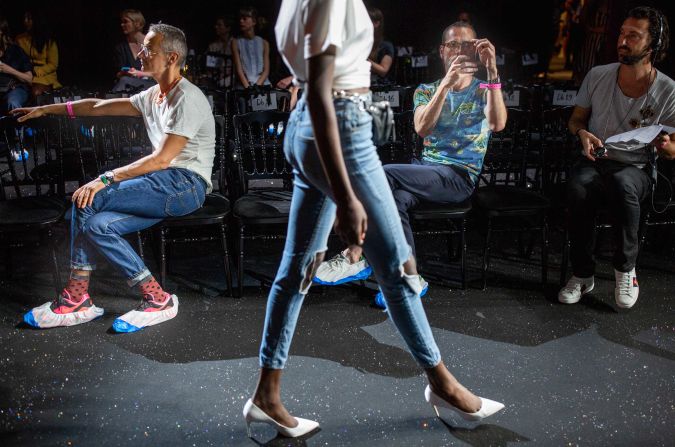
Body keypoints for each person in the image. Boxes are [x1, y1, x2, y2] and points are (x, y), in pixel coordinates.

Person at [243, 1, 504, 439]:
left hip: (310, 126)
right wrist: (346, 200)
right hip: (341, 131)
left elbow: (315, 78)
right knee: (399, 271)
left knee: (296, 271)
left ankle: (267, 396)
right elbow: (326, 90)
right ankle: (444, 386)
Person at [13, 24, 215, 332]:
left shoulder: (187, 98)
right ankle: (157, 298)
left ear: (172, 57)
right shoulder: (153, 96)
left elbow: (162, 159)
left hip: (185, 186)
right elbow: (96, 107)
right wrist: (46, 109)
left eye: (149, 49)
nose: (141, 53)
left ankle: (76, 298)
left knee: (90, 196)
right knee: (97, 225)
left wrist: (104, 179)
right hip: (162, 185)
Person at [314, 20, 507, 306]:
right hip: (426, 170)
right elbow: (422, 128)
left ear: (476, 50)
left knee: (382, 174)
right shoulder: (426, 90)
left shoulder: (484, 89)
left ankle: (355, 253)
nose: (460, 50)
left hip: (458, 176)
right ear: (442, 51)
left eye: (467, 45)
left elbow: (497, 123)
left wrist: (492, 70)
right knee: (395, 198)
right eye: (453, 44)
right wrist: (445, 85)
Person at [560, 6, 675, 309]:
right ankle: (583, 274)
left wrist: (666, 146)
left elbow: (674, 148)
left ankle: (626, 270)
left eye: (633, 36)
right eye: (622, 33)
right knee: (578, 187)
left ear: (653, 44)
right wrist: (582, 134)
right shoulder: (598, 75)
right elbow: (576, 120)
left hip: (635, 165)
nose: (623, 40)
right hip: (597, 159)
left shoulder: (668, 90)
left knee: (624, 185)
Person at [15, 10, 62, 97]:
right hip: (26, 74)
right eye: (24, 18)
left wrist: (36, 71)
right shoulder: (20, 39)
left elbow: (53, 65)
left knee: (36, 92)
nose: (25, 21)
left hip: (44, 77)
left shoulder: (49, 41)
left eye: (29, 19)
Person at [112, 9, 155, 92]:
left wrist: (138, 73)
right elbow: (119, 72)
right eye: (122, 22)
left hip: (152, 84)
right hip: (130, 86)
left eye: (125, 22)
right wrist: (127, 72)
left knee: (124, 81)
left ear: (137, 23)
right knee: (124, 80)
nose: (122, 24)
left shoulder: (152, 43)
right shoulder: (121, 48)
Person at [231, 7, 270, 89]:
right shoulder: (236, 42)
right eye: (240, 18)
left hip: (262, 84)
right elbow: (239, 70)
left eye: (245, 18)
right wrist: (248, 88)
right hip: (244, 85)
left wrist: (257, 86)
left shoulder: (264, 43)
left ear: (254, 21)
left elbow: (266, 70)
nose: (241, 21)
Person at [0, 17, 32, 114]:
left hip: (14, 90)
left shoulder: (15, 51)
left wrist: (8, 69)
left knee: (12, 103)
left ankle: (19, 128)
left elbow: (29, 79)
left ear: (2, 32)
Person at [367, 8, 395, 86]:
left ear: (376, 23)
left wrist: (364, 59)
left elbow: (383, 70)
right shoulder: (361, 42)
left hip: (380, 86)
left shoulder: (386, 45)